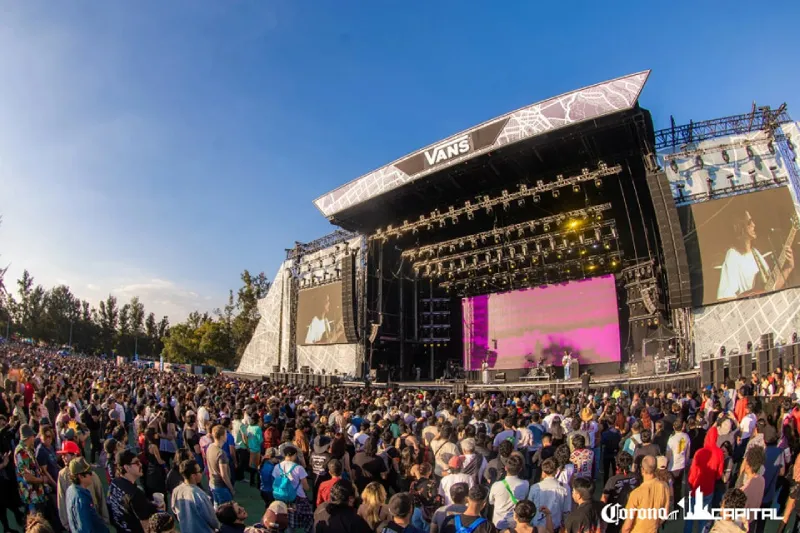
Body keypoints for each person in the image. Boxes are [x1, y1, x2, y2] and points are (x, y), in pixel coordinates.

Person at [716, 210, 795, 300]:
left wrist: (789, 267)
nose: (753, 225)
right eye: (749, 222)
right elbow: (724, 297)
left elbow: (771, 287)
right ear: (740, 227)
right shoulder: (733, 255)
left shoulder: (755, 252)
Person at [57, 439, 108, 530]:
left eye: (66, 455)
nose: (63, 457)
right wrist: (66, 524)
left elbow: (100, 496)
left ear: (75, 455)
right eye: (62, 455)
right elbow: (61, 500)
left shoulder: (90, 473)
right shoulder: (62, 475)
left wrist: (105, 518)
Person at [107, 450, 160, 533]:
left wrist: (150, 506)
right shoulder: (135, 494)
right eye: (136, 463)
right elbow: (146, 527)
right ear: (126, 467)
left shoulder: (114, 483)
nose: (141, 464)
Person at [620, 456, 670, 533]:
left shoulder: (636, 493)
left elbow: (628, 525)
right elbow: (665, 514)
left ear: (642, 469)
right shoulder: (664, 487)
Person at [170, 459, 219, 532]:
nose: (201, 473)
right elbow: (212, 519)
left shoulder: (176, 491)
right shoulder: (199, 494)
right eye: (199, 471)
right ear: (193, 476)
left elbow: (175, 510)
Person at [65, 457, 110, 533]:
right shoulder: (81, 499)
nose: (92, 475)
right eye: (89, 472)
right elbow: (85, 528)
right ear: (80, 476)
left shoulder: (70, 490)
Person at [528, 458, 570, 533]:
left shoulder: (535, 487)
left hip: (537, 526)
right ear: (557, 471)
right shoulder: (564, 487)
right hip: (555, 526)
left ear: (543, 471)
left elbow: (529, 508)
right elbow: (566, 510)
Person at [489, 454, 529, 530]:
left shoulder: (496, 485)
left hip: (498, 523)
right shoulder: (526, 484)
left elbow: (491, 501)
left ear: (506, 468)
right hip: (515, 523)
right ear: (520, 469)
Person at [207, 424, 236, 507]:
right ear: (222, 436)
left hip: (212, 483)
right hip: (221, 486)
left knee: (216, 507)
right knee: (226, 510)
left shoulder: (210, 447)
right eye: (226, 434)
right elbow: (224, 475)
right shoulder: (221, 453)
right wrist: (231, 488)